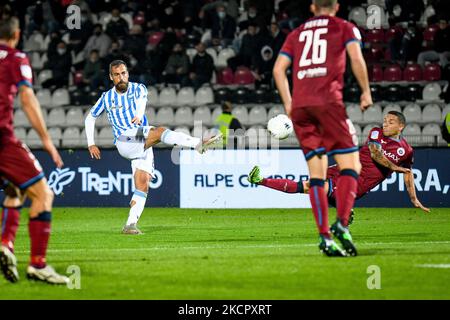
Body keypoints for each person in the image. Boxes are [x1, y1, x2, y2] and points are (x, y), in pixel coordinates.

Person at [273, 0, 373, 257]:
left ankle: (325, 237)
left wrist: (289, 104)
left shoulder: (296, 34)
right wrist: (365, 92)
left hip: (301, 109)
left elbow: (278, 69)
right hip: (328, 103)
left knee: (316, 177)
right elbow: (356, 58)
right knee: (352, 166)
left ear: (312, 7)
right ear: (337, 6)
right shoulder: (344, 27)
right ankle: (341, 222)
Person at [85, 60, 222, 235]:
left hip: (142, 141)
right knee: (160, 132)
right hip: (124, 140)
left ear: (128, 73)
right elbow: (90, 118)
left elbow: (141, 101)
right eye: (117, 75)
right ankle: (197, 144)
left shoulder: (139, 88)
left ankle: (130, 225)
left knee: (143, 184)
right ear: (111, 77)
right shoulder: (106, 97)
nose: (121, 77)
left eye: (124, 73)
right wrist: (91, 143)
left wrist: (139, 114)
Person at [248, 112, 430, 220]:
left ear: (401, 127)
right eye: (384, 120)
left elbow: (408, 172)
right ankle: (342, 211)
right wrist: (394, 168)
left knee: (309, 187)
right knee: (311, 186)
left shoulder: (406, 150)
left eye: (390, 122)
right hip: (345, 169)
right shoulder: (376, 133)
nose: (385, 124)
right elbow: (375, 153)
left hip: (359, 182)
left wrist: (413, 199)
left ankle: (260, 180)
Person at [0, 16, 68, 284]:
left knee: (14, 189)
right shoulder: (15, 58)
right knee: (43, 195)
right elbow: (27, 98)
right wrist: (47, 141)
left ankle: (7, 244)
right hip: (3, 140)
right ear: (16, 34)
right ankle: (38, 264)